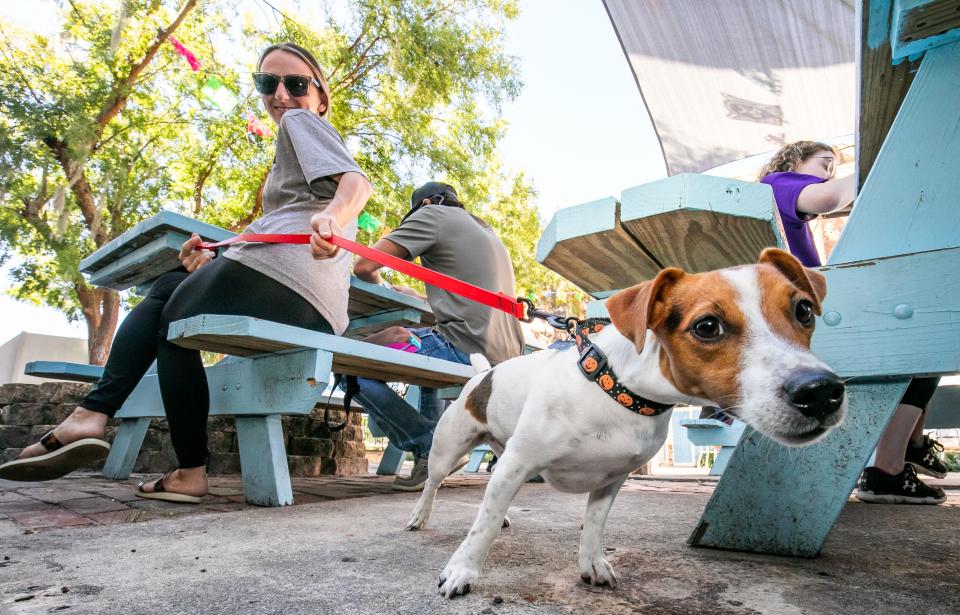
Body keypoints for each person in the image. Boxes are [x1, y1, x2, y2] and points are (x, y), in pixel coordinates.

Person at [0, 43, 372, 503]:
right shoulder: (297, 143)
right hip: (317, 307)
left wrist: (334, 216)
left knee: (171, 315)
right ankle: (134, 439)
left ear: (320, 97)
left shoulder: (302, 123)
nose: (280, 95)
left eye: (295, 84)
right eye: (266, 83)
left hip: (289, 281)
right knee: (173, 297)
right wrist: (214, 259)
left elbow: (356, 183)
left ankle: (108, 423)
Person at [759, 141, 946, 505]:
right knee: (923, 343)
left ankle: (910, 449)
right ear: (793, 160)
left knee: (920, 343)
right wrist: (879, 168)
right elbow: (830, 198)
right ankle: (892, 467)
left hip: (795, 318)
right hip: (807, 322)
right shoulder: (779, 182)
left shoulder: (774, 201)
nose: (829, 173)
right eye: (825, 164)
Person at [337, 181, 525, 491]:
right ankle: (432, 457)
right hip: (505, 359)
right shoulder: (485, 231)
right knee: (428, 348)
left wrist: (382, 282)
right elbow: (473, 299)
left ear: (426, 203)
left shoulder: (432, 215)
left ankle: (430, 447)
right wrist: (422, 298)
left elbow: (365, 265)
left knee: (349, 366)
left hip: (464, 347)